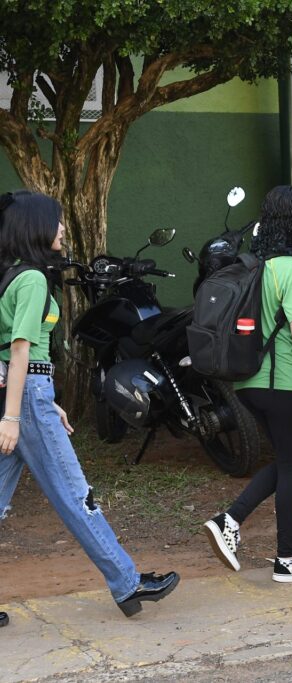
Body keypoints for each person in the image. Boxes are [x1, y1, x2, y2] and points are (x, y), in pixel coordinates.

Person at [0, 191, 179, 617]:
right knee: (75, 494)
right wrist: (17, 413)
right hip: (23, 401)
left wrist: (41, 401)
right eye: (57, 221)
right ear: (38, 228)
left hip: (24, 396)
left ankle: (126, 581)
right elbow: (21, 348)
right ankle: (127, 583)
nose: (62, 228)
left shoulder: (11, 276)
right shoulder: (32, 280)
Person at [204, 186, 292, 583]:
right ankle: (287, 558)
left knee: (287, 460)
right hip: (282, 381)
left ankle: (229, 520)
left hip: (248, 382)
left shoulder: (254, 267)